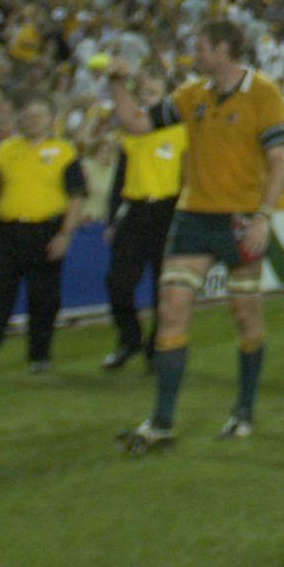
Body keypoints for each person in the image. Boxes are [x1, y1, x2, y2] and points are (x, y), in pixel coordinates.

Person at [106, 17, 284, 452]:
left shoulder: (264, 93)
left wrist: (264, 217)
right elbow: (138, 124)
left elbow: (281, 159)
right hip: (193, 217)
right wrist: (117, 85)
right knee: (172, 308)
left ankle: (244, 409)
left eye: (202, 46)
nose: (196, 53)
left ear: (225, 49)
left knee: (245, 314)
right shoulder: (191, 95)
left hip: (240, 221)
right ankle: (161, 423)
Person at [0, 95, 86, 377]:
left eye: (40, 113)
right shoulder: (3, 152)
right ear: (19, 119)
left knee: (45, 298)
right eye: (29, 113)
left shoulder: (65, 152)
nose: (34, 119)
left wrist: (65, 234)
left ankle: (40, 355)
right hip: (7, 231)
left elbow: (77, 196)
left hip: (47, 229)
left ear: (51, 119)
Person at [101, 67, 184, 372]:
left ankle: (156, 349)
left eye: (154, 90)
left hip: (168, 211)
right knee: (118, 283)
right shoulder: (130, 133)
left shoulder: (181, 132)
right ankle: (129, 338)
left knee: (165, 289)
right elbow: (118, 180)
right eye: (144, 90)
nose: (147, 95)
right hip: (135, 211)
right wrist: (112, 220)